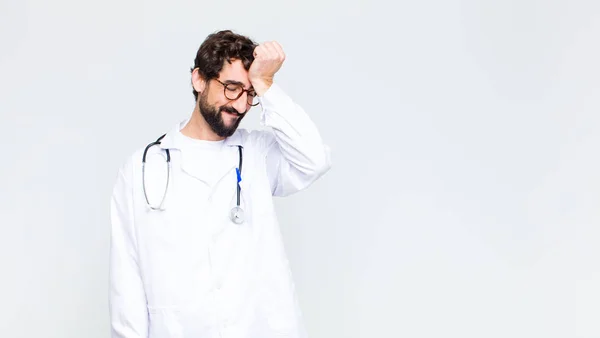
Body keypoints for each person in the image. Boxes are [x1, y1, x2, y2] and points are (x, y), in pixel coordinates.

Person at [109, 30, 331, 338]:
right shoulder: (142, 169)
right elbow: (127, 281)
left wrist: (266, 84)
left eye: (249, 93)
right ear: (199, 79)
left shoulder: (257, 154)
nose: (240, 105)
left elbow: (314, 159)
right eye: (231, 88)